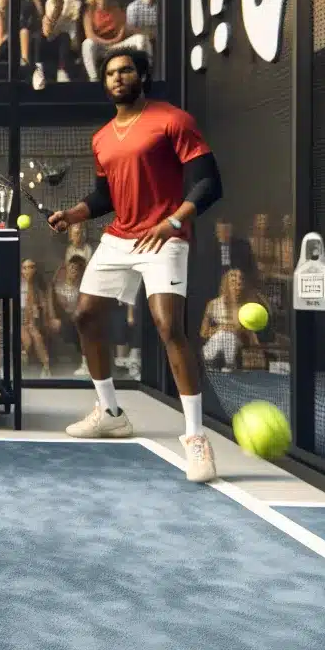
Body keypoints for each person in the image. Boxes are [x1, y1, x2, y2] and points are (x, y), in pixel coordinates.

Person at [46, 49, 225, 482]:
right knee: (86, 315)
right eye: (110, 73)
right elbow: (107, 197)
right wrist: (73, 215)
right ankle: (109, 412)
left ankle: (197, 438)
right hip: (120, 237)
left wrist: (173, 221)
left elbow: (208, 182)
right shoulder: (103, 137)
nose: (118, 77)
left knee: (168, 327)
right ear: (104, 82)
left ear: (142, 74)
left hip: (165, 236)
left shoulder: (172, 120)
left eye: (126, 69)